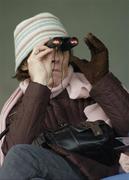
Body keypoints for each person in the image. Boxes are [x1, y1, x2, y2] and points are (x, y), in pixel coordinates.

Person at [0, 12, 129, 180]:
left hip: (105, 172)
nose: (56, 58)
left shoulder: (91, 87)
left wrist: (102, 81)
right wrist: (39, 84)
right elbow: (15, 163)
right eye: (45, 51)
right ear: (26, 64)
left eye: (62, 49)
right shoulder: (17, 111)